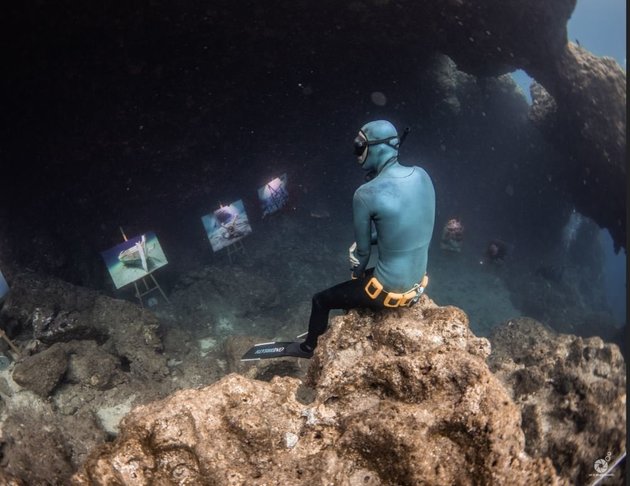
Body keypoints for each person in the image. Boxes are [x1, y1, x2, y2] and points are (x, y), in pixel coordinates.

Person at [284, 120, 436, 358]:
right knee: (366, 278)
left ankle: (308, 347)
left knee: (321, 300)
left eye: (359, 146)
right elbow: (410, 227)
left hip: (387, 293)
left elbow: (362, 253)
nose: (356, 153)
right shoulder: (422, 175)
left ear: (376, 148)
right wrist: (377, 241)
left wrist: (356, 270)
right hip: (417, 286)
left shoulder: (365, 194)